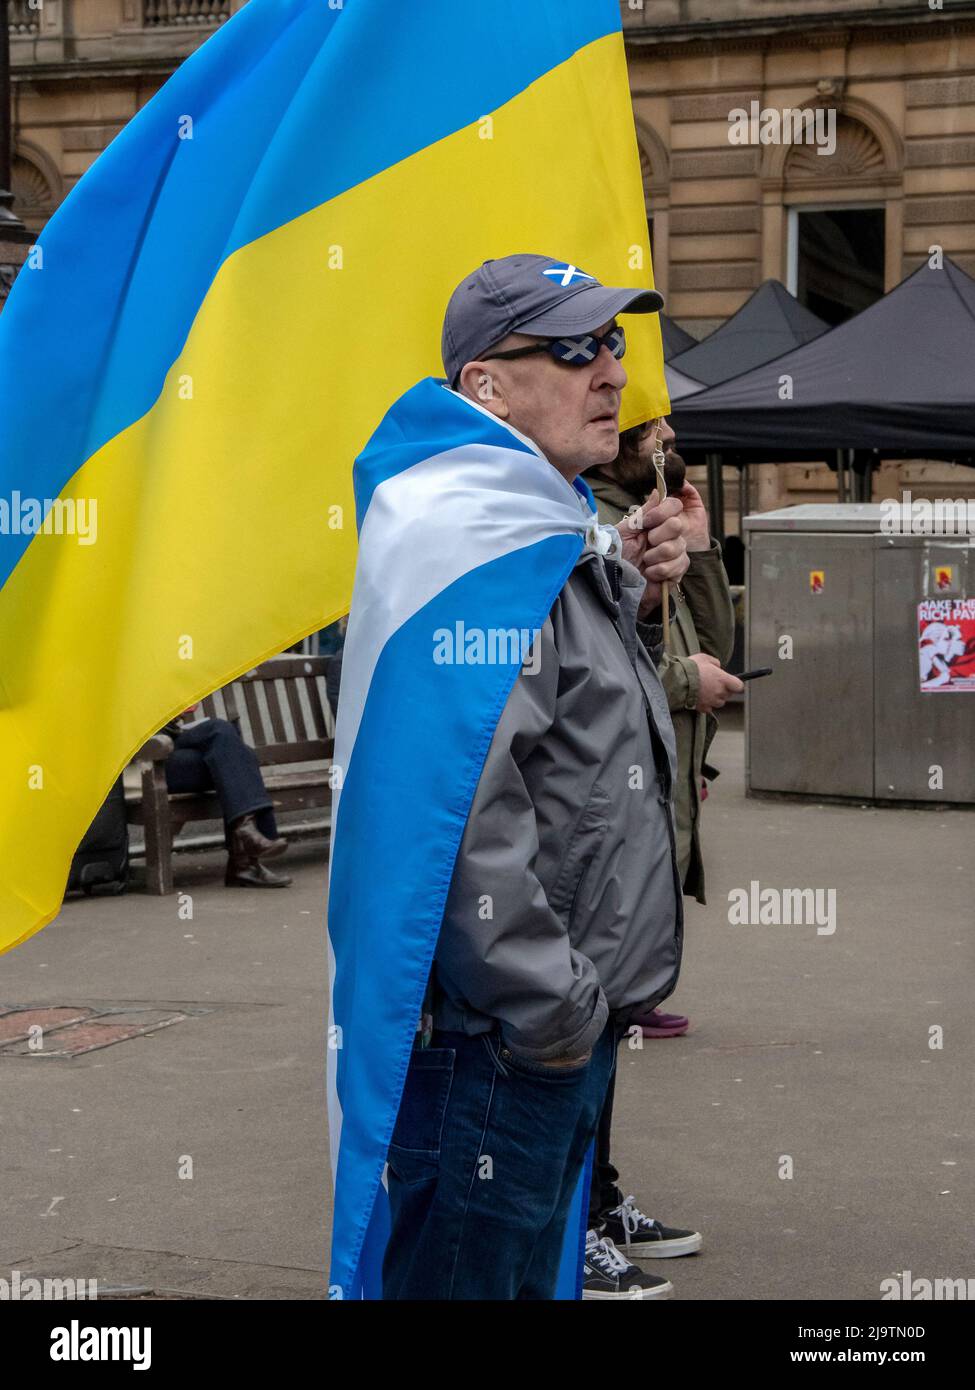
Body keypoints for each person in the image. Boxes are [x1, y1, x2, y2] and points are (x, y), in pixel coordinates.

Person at [381, 254, 688, 1301]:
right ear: (485, 386)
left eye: (610, 344)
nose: (611, 371)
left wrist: (627, 589)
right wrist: (552, 1005)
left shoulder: (536, 525)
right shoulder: (472, 538)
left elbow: (573, 734)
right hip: (506, 1040)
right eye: (572, 349)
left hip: (550, 1023)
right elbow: (462, 806)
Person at [578, 417, 741, 1299]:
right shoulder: (584, 509)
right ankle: (576, 1218)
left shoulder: (647, 506)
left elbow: (714, 634)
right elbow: (598, 659)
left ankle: (595, 1202)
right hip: (609, 806)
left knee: (607, 1021)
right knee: (579, 1021)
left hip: (654, 798)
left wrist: (702, 546)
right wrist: (689, 683)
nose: (667, 430)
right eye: (654, 419)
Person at [161, 707, 291, 888]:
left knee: (235, 750)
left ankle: (246, 857)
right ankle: (246, 858)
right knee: (224, 735)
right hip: (152, 759)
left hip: (174, 744)